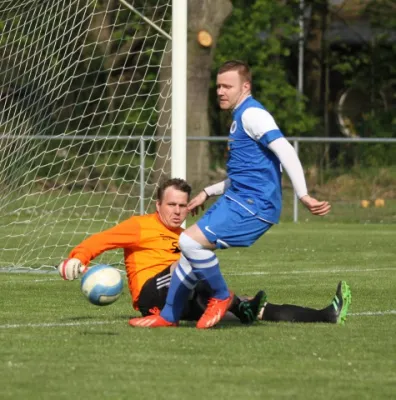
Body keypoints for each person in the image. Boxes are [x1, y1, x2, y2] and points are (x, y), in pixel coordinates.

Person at [129, 60, 335, 330]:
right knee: (188, 252)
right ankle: (168, 316)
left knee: (189, 244)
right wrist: (206, 192)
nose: (221, 91)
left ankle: (221, 295)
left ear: (245, 87)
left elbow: (285, 150)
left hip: (253, 205)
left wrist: (303, 194)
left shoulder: (253, 115)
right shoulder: (240, 118)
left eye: (228, 86)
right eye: (218, 86)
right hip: (237, 199)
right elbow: (244, 174)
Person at [57, 178, 265, 324]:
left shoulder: (186, 236)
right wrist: (77, 258)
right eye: (171, 204)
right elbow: (101, 240)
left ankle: (251, 309)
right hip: (151, 296)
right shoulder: (140, 225)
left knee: (254, 311)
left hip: (183, 298)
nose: (177, 210)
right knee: (192, 261)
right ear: (158, 205)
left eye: (182, 205)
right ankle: (237, 304)